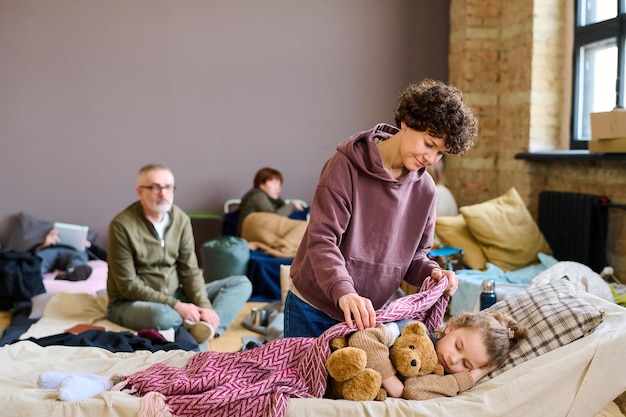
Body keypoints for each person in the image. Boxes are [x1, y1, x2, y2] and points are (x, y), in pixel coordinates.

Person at [284, 79, 479, 338]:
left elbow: (414, 259)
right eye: (429, 144)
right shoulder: (345, 167)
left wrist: (432, 272)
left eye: (441, 153)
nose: (431, 159)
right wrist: (346, 292)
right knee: (300, 380)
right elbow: (322, 241)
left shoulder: (426, 190)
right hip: (313, 307)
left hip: (368, 317)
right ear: (407, 122)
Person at [106, 164, 252, 342]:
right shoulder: (121, 225)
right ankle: (192, 323)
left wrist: (204, 306)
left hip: (176, 294)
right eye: (155, 187)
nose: (163, 194)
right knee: (160, 316)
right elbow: (128, 285)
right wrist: (176, 305)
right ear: (139, 192)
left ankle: (209, 327)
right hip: (131, 303)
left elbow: (189, 270)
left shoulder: (181, 219)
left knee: (241, 283)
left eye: (168, 187)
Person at [347, 309, 528, 399]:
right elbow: (363, 339)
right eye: (458, 346)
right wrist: (392, 382)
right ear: (452, 328)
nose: (453, 359)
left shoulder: (445, 381)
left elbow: (413, 391)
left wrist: (471, 377)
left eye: (466, 365)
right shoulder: (414, 331)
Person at [236, 167, 304, 236]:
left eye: (279, 184)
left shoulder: (275, 201)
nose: (278, 188)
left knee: (301, 229)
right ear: (262, 185)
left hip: (263, 232)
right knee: (302, 229)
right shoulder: (257, 196)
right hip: (250, 232)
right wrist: (292, 205)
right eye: (274, 183)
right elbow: (273, 217)